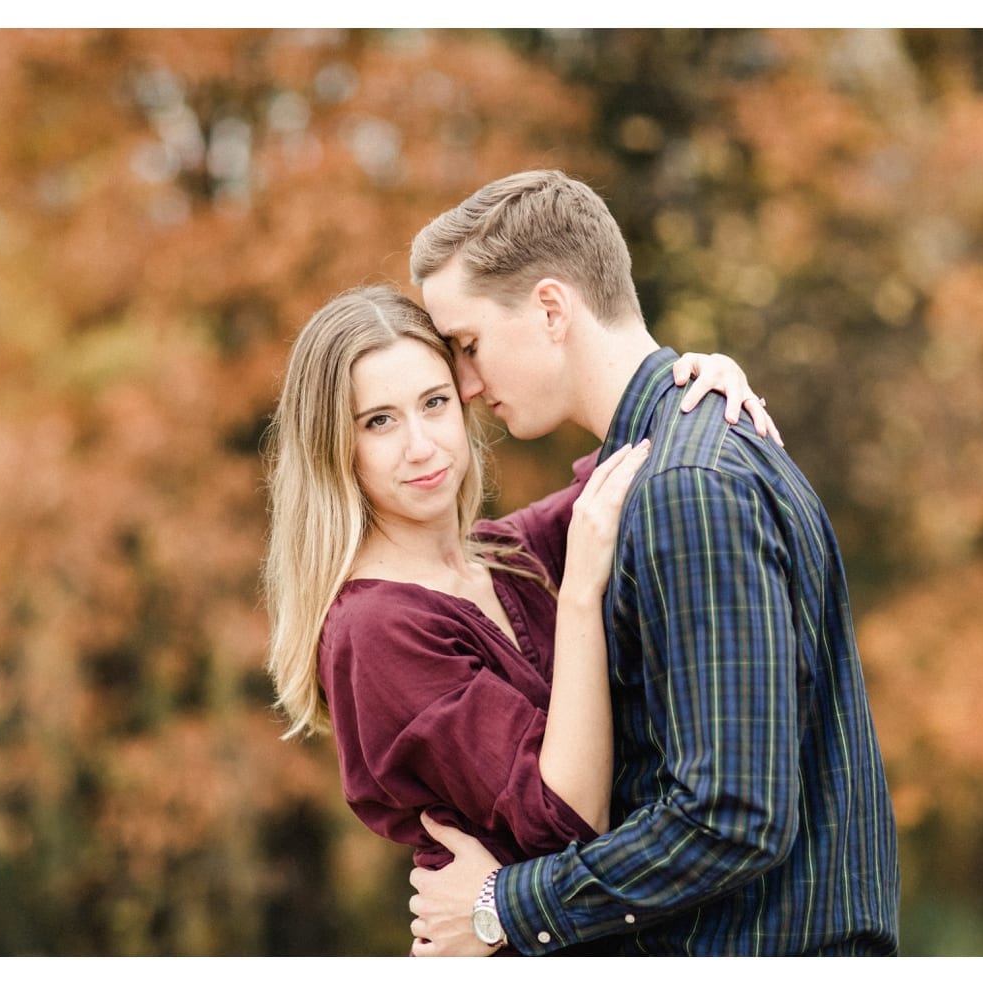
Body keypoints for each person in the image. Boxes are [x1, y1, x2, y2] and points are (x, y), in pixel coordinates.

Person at [404, 170, 900, 956]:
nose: (465, 384)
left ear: (551, 308)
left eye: (468, 345)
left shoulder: (687, 488)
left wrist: (503, 903)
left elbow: (731, 816)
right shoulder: (668, 459)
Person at [263, 285, 776, 955]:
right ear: (336, 447)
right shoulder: (376, 626)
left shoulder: (510, 553)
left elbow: (651, 457)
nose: (421, 445)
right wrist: (579, 597)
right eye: (378, 421)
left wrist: (707, 380)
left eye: (434, 403)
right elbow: (567, 815)